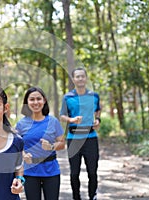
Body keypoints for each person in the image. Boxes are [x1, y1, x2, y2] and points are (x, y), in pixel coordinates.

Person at [15, 86, 65, 200]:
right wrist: (23, 155)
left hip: (51, 171)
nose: (35, 102)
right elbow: (16, 145)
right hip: (30, 171)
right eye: (32, 99)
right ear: (27, 102)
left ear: (44, 100)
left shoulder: (53, 121)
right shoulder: (21, 124)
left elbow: (62, 143)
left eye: (39, 99)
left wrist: (51, 146)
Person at [60, 67, 101, 200]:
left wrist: (98, 120)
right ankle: (76, 197)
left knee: (92, 172)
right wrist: (71, 120)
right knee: (74, 173)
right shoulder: (68, 97)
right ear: (73, 79)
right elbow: (62, 116)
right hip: (74, 139)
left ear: (86, 78)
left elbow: (98, 111)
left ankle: (92, 196)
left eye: (82, 76)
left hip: (91, 138)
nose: (80, 79)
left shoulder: (94, 96)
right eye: (77, 76)